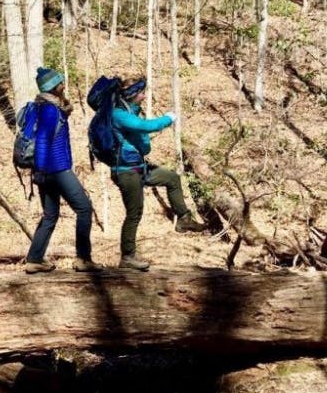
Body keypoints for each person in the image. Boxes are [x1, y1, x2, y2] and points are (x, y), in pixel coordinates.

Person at [111, 79, 206, 271]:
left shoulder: (130, 111)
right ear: (131, 94)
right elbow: (145, 127)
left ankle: (184, 219)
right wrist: (168, 119)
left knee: (171, 178)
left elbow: (141, 137)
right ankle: (127, 256)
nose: (144, 96)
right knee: (134, 213)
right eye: (141, 93)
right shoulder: (118, 114)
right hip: (126, 172)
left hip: (139, 167)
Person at [24, 67, 105, 274]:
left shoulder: (44, 106)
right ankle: (83, 259)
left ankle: (34, 259)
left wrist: (39, 172)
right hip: (56, 169)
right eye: (60, 81)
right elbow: (42, 140)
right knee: (84, 208)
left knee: (50, 215)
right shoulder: (50, 110)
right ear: (53, 86)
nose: (64, 84)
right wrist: (41, 170)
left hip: (47, 170)